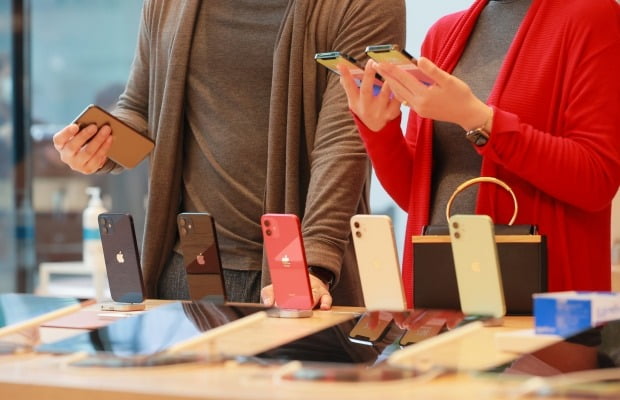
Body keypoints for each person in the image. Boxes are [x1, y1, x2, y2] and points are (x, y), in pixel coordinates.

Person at [52, 0, 406, 308]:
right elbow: (141, 106)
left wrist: (314, 260)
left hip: (300, 272)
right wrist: (101, 145)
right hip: (187, 265)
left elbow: (344, 139)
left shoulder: (362, 4)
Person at [340, 0, 620, 307]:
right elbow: (417, 197)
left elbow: (597, 180)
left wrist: (479, 120)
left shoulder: (593, 15)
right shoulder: (443, 35)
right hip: (441, 293)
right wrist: (381, 132)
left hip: (546, 304)